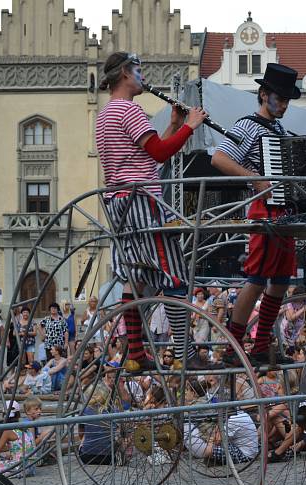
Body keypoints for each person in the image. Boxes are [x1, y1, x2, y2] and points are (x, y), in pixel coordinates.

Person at [95, 51, 210, 372]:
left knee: (136, 275)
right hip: (143, 203)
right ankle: (185, 353)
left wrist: (173, 125)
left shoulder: (105, 114)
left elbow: (145, 156)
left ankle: (134, 353)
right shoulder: (130, 110)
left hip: (120, 204)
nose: (143, 77)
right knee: (174, 273)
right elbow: (159, 154)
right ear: (125, 75)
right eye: (139, 70)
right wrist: (190, 126)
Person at [210, 63, 303, 367]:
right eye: (281, 98)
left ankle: (261, 344)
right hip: (264, 208)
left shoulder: (281, 131)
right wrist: (254, 177)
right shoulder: (247, 125)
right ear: (264, 95)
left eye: (288, 100)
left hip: (285, 211)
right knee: (257, 277)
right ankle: (233, 346)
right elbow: (220, 158)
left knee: (279, 279)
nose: (285, 105)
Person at [0, 401, 35, 477]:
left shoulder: (7, 431)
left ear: (3, 415)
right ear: (18, 415)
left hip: (18, 468)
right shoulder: (24, 427)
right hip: (30, 467)